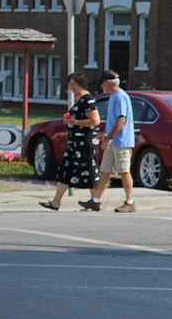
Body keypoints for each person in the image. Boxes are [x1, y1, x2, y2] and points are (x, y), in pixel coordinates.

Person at [78, 69, 136, 213]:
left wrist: (110, 137)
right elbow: (114, 120)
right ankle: (96, 200)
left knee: (124, 171)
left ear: (109, 83)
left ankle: (130, 202)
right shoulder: (113, 97)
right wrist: (105, 133)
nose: (101, 87)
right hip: (113, 141)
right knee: (104, 171)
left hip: (121, 141)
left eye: (103, 84)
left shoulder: (120, 96)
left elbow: (121, 118)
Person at [40, 73, 99, 211]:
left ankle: (95, 201)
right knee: (65, 170)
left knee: (88, 170)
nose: (71, 88)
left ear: (80, 84)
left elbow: (95, 120)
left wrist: (75, 121)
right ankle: (56, 202)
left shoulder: (88, 100)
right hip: (74, 144)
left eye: (73, 84)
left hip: (85, 143)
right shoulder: (79, 100)